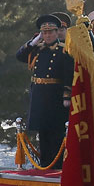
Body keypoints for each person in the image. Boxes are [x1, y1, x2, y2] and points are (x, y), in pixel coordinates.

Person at [16, 14, 73, 166]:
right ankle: (45, 165)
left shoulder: (63, 50)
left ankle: (56, 167)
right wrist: (32, 43)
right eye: (45, 33)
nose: (48, 35)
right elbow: (20, 56)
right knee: (43, 135)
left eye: (51, 32)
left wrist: (67, 96)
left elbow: (69, 73)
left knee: (56, 136)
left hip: (55, 97)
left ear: (56, 33)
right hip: (39, 97)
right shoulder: (38, 49)